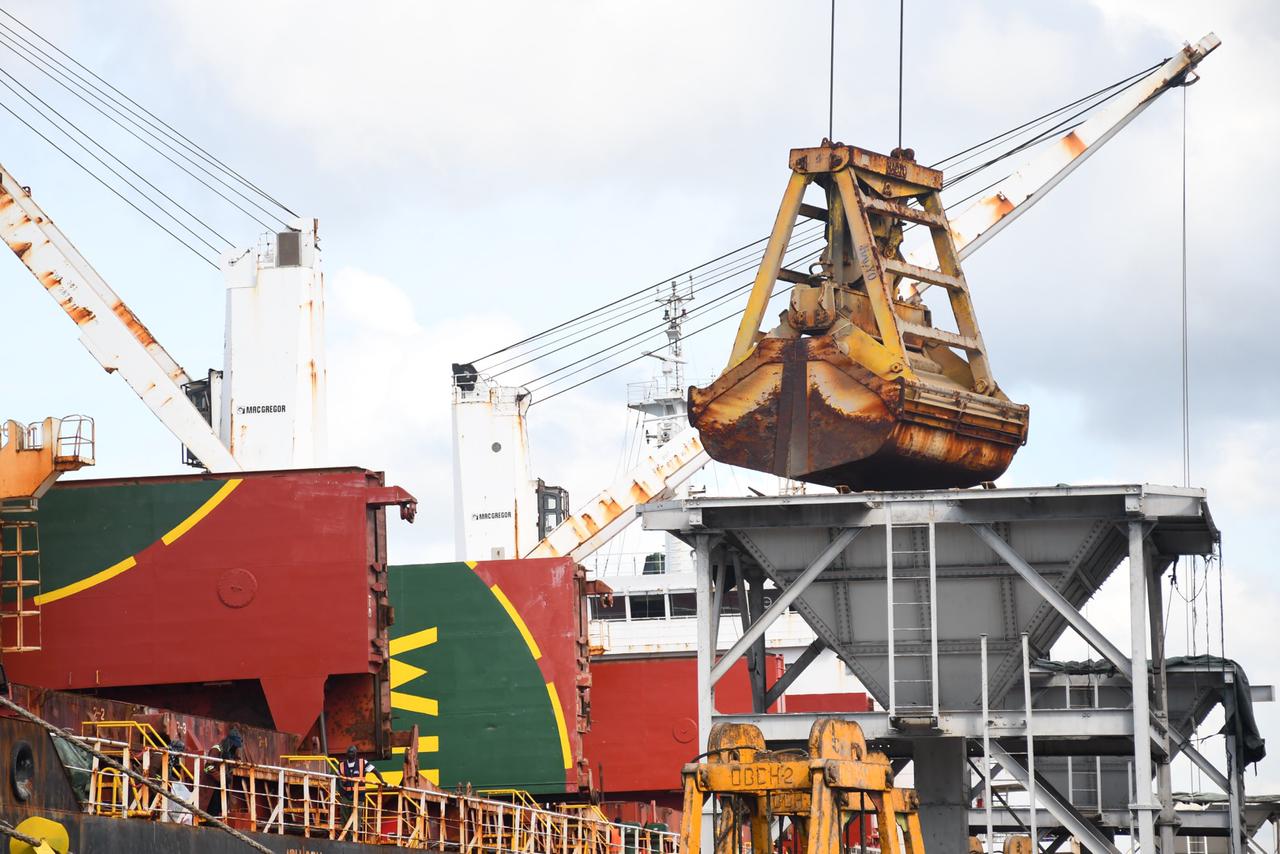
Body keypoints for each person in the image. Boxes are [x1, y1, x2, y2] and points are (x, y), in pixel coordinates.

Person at [336, 745, 387, 828]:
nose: (350, 753)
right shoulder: (341, 765)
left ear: (356, 753)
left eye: (352, 752)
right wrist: (340, 790)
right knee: (344, 818)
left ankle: (354, 837)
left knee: (356, 819)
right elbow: (337, 778)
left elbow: (375, 771)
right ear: (346, 754)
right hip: (346, 796)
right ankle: (347, 838)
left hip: (359, 796)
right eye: (349, 752)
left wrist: (382, 781)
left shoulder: (363, 763)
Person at [205, 727, 244, 818]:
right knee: (213, 810)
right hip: (213, 787)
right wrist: (221, 777)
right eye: (234, 745)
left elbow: (233, 763)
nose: (235, 747)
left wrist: (237, 760)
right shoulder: (217, 749)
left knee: (222, 808)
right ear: (230, 742)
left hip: (223, 785)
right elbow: (207, 767)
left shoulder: (229, 752)